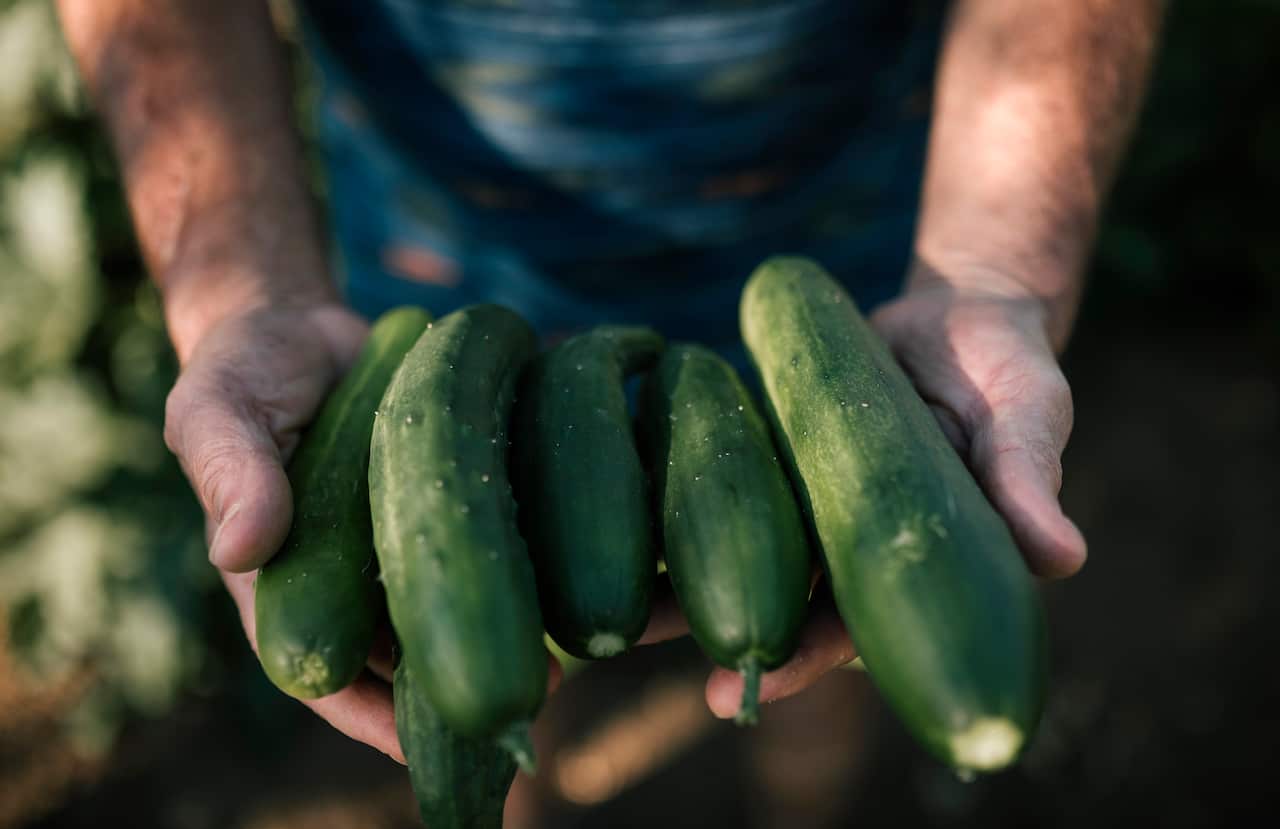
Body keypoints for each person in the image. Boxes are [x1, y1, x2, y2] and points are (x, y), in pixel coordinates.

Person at [55, 0, 1161, 765]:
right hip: (434, 245)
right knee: (507, 642)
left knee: (820, 646)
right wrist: (248, 293)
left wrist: (988, 269)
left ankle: (799, 827)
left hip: (864, 243)